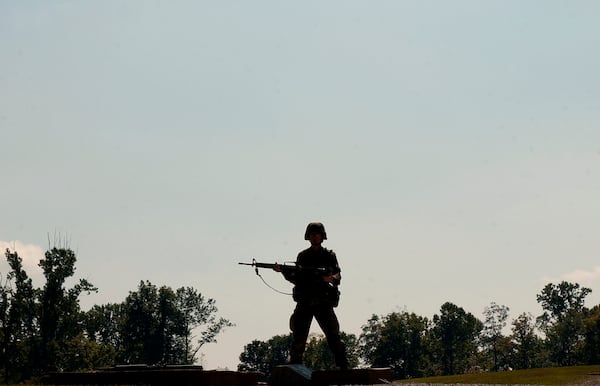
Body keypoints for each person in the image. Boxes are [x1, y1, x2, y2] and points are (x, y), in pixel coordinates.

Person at [274, 222, 349, 369]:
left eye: (317, 234)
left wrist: (331, 278)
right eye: (312, 235)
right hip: (305, 301)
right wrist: (283, 271)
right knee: (299, 338)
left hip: (323, 301)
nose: (315, 237)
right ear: (308, 237)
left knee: (333, 336)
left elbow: (337, 274)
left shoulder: (329, 255)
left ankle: (343, 367)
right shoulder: (303, 256)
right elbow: (297, 278)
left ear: (322, 236)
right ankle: (295, 369)